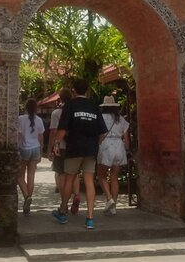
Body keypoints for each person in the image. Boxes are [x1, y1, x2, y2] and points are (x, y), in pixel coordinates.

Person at [52, 79, 107, 230]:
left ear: (74, 91)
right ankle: (90, 218)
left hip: (74, 148)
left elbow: (62, 129)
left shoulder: (70, 105)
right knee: (89, 181)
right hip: (91, 149)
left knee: (70, 178)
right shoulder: (94, 107)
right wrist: (96, 143)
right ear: (87, 91)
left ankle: (63, 212)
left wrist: (56, 144)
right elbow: (103, 132)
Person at [47, 88, 81, 214]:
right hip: (74, 146)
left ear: (60, 98)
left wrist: (50, 148)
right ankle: (76, 195)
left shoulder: (56, 113)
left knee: (61, 174)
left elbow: (53, 132)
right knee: (74, 173)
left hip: (60, 146)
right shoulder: (75, 111)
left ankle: (64, 203)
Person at [97, 95, 129, 215]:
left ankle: (109, 198)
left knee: (101, 175)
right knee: (114, 177)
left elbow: (98, 135)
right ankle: (113, 206)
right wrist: (127, 150)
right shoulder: (120, 119)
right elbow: (126, 138)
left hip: (106, 145)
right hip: (119, 146)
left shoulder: (100, 118)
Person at [17, 98, 45, 214]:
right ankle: (28, 200)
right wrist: (41, 151)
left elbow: (18, 136)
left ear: (26, 108)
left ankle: (27, 197)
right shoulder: (39, 120)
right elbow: (41, 138)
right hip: (35, 148)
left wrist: (16, 150)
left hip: (25, 149)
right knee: (31, 176)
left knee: (19, 176)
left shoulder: (21, 119)